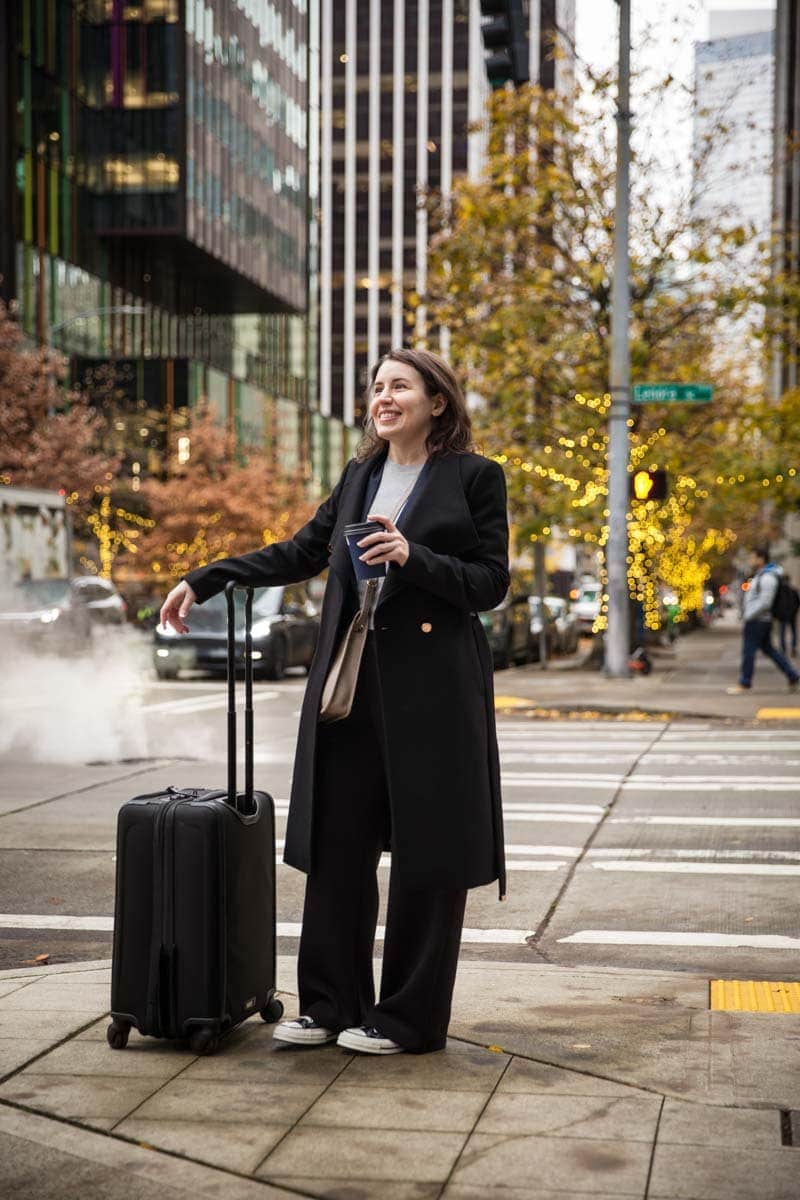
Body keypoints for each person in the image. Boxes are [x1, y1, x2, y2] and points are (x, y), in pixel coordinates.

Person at [159, 348, 509, 1056]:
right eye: (376, 386)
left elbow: (490, 582)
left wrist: (416, 556)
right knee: (338, 846)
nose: (383, 397)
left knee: (427, 857)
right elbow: (299, 552)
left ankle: (406, 1020)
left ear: (437, 402)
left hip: (434, 696)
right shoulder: (360, 476)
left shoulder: (474, 477)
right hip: (351, 688)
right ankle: (328, 1004)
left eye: (399, 386)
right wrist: (208, 578)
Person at [727, 548, 800, 694]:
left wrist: (749, 614)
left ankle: (745, 682)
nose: (750, 561)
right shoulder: (762, 576)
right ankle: (793, 676)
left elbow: (765, 602)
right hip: (760, 620)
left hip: (758, 620)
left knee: (749, 651)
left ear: (761, 559)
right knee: (770, 650)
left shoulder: (768, 577)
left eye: (753, 558)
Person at [777, 574, 799, 658]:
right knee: (793, 632)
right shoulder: (793, 590)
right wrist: (794, 612)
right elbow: (797, 603)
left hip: (783, 615)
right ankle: (793, 648)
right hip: (792, 615)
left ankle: (783, 649)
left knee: (782, 632)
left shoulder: (780, 591)